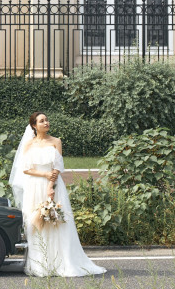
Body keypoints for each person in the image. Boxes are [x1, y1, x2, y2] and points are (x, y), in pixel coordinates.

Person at [9, 111, 106, 277]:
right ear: (34, 125)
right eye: (41, 121)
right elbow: (25, 169)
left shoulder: (56, 141)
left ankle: (62, 262)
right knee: (36, 223)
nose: (46, 122)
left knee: (57, 222)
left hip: (53, 185)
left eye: (47, 120)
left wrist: (50, 186)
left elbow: (58, 167)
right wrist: (44, 175)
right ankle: (42, 264)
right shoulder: (29, 144)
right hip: (34, 186)